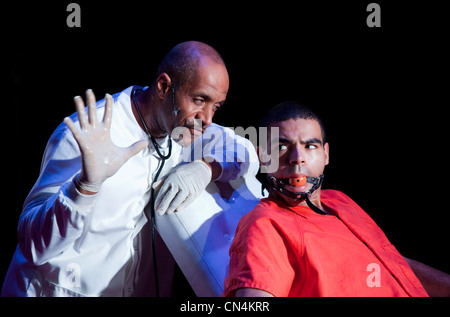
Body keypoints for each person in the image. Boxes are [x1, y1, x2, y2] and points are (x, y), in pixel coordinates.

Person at [2, 41, 247, 297]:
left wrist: (206, 168)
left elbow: (252, 150)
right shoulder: (88, 134)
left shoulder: (186, 130)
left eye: (216, 106)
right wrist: (84, 187)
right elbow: (32, 244)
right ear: (164, 87)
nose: (208, 118)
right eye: (199, 99)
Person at [223, 101, 450, 297]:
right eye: (282, 146)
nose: (297, 158)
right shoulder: (266, 224)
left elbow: (393, 263)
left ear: (326, 154)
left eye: (310, 146)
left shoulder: (339, 199)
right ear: (263, 156)